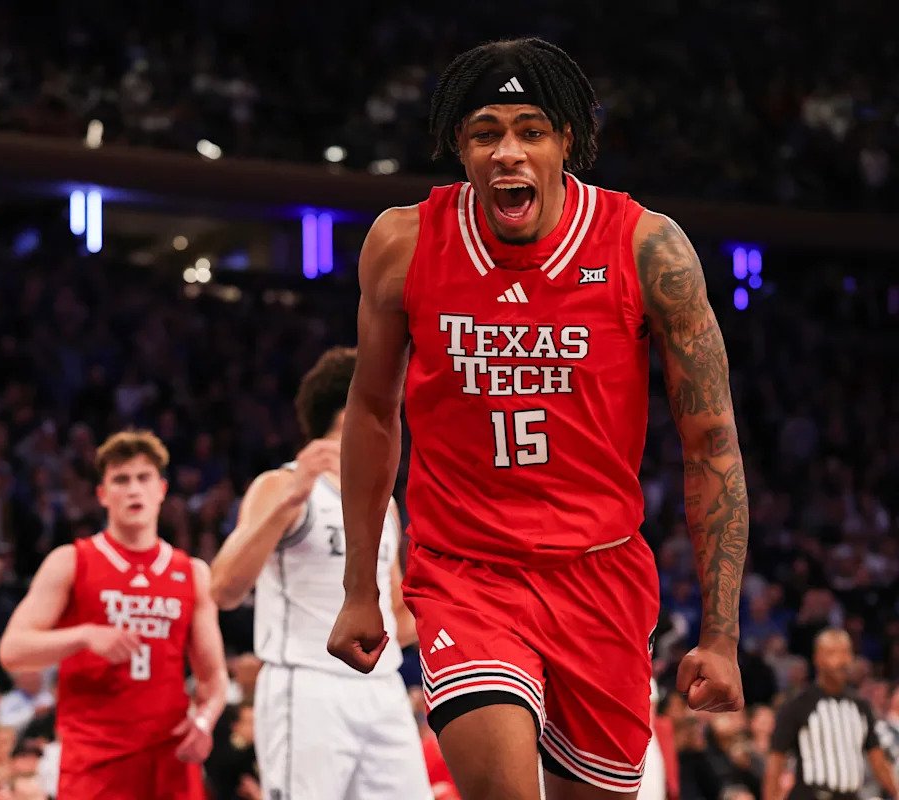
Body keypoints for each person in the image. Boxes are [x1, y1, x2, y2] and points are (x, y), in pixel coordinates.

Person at [326, 36, 750, 800]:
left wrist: (721, 634)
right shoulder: (404, 243)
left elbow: (711, 442)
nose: (507, 152)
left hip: (601, 575)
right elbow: (372, 409)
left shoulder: (647, 248)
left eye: (531, 131)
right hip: (467, 572)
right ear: (459, 146)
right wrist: (362, 586)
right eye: (485, 132)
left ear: (566, 142)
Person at [210, 346, 432, 799]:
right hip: (307, 686)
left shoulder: (384, 503)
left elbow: (395, 618)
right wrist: (293, 497)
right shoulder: (282, 483)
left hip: (382, 689)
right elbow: (223, 588)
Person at [0, 430, 227, 799]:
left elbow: (213, 678)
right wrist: (84, 635)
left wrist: (204, 720)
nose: (134, 490)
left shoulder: (192, 572)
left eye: (143, 478)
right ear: (103, 494)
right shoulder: (71, 561)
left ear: (161, 490)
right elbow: (12, 650)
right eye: (121, 480)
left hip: (170, 761)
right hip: (95, 763)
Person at [763, 629, 899, 800]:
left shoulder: (860, 706)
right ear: (817, 658)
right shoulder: (798, 705)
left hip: (851, 796)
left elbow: (877, 760)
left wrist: (895, 792)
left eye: (846, 652)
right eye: (833, 653)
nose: (842, 660)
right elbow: (776, 762)